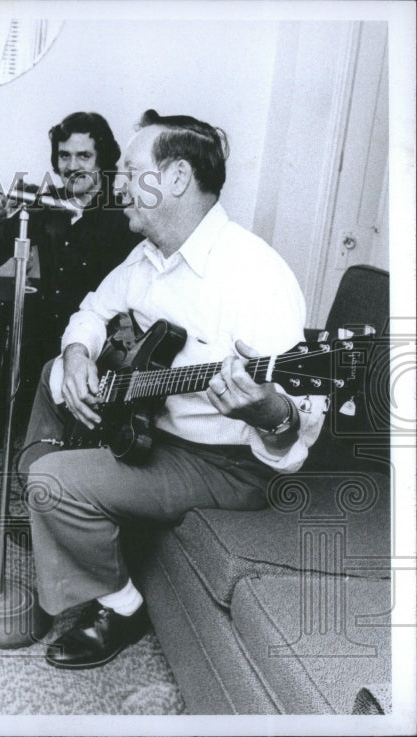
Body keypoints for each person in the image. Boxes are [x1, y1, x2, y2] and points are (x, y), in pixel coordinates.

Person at [21, 110, 326, 669]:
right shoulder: (146, 259)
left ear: (178, 178)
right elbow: (91, 311)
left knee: (49, 481)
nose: (117, 184)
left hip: (224, 463)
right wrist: (77, 353)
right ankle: (50, 517)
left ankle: (122, 606)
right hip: (154, 429)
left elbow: (298, 420)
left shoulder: (255, 276)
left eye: (132, 171)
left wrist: (268, 411)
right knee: (51, 373)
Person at [0, 112, 141, 360]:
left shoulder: (124, 217)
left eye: (83, 156)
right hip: (46, 339)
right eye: (64, 156)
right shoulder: (48, 202)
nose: (71, 167)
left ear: (102, 160)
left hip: (98, 350)